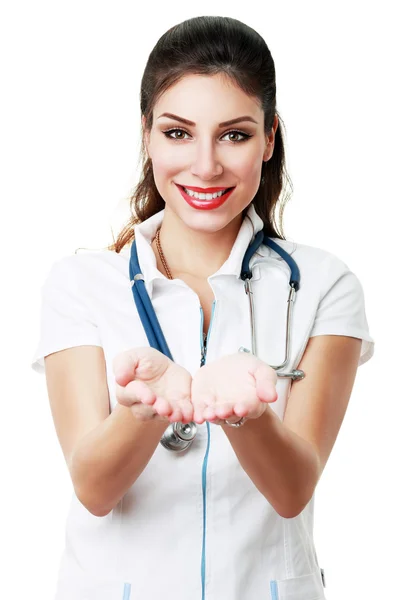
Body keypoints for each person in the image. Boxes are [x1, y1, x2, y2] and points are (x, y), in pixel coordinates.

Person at [31, 15, 374, 600]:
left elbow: (294, 491)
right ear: (146, 134)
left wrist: (247, 414)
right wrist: (142, 412)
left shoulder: (323, 285)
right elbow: (94, 488)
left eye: (235, 135)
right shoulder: (81, 284)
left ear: (269, 139)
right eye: (178, 133)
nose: (206, 165)